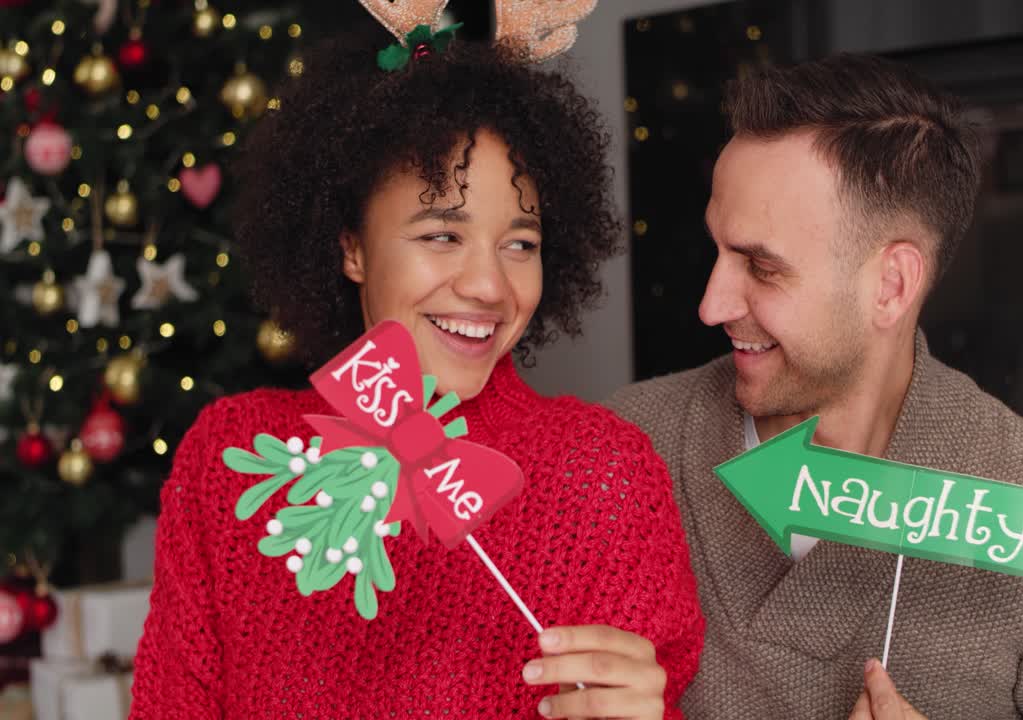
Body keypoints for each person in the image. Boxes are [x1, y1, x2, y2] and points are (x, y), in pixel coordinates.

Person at [130, 27, 703, 720]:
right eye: (441, 235)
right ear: (352, 248)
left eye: (520, 244)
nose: (490, 285)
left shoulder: (604, 477)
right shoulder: (231, 461)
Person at [606, 53, 1023, 719]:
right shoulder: (617, 449)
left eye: (760, 265)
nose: (710, 304)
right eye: (719, 251)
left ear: (891, 285)